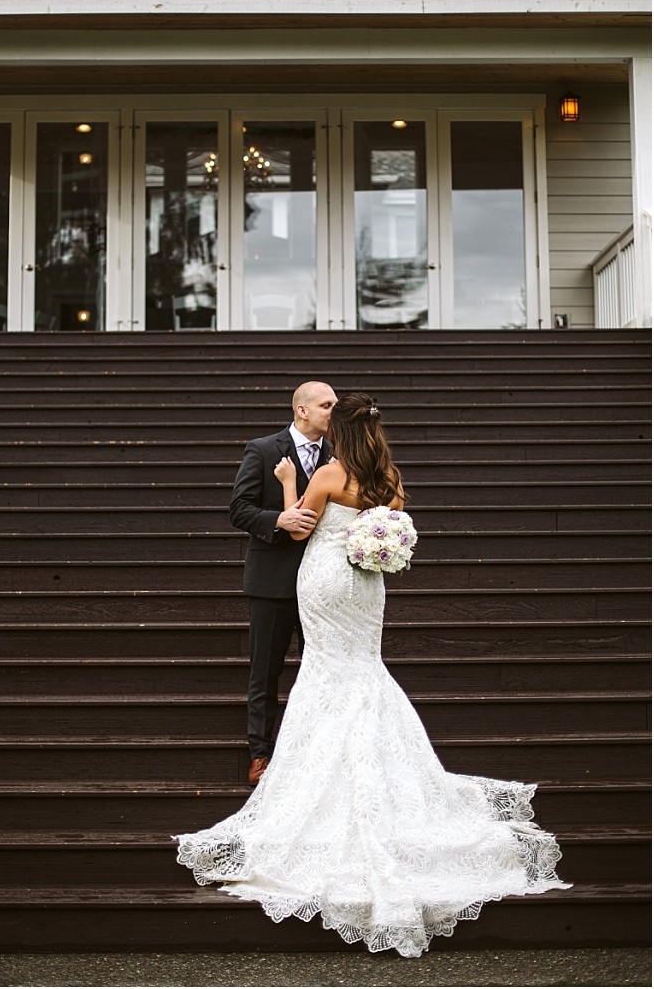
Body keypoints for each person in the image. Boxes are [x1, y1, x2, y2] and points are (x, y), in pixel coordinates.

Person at [176, 393, 570, 957]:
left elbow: (299, 529)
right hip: (365, 586)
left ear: (342, 429)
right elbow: (391, 525)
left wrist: (288, 486)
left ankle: (295, 760)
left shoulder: (331, 471)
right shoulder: (388, 475)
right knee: (362, 669)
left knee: (323, 669)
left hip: (323, 580)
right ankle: (297, 748)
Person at [229, 380, 337, 785]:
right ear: (302, 410)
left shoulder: (337, 455)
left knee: (320, 671)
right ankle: (260, 754)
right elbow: (238, 509)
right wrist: (277, 520)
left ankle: (316, 753)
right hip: (271, 582)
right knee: (265, 672)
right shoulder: (262, 449)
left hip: (322, 584)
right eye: (327, 405)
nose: (333, 412)